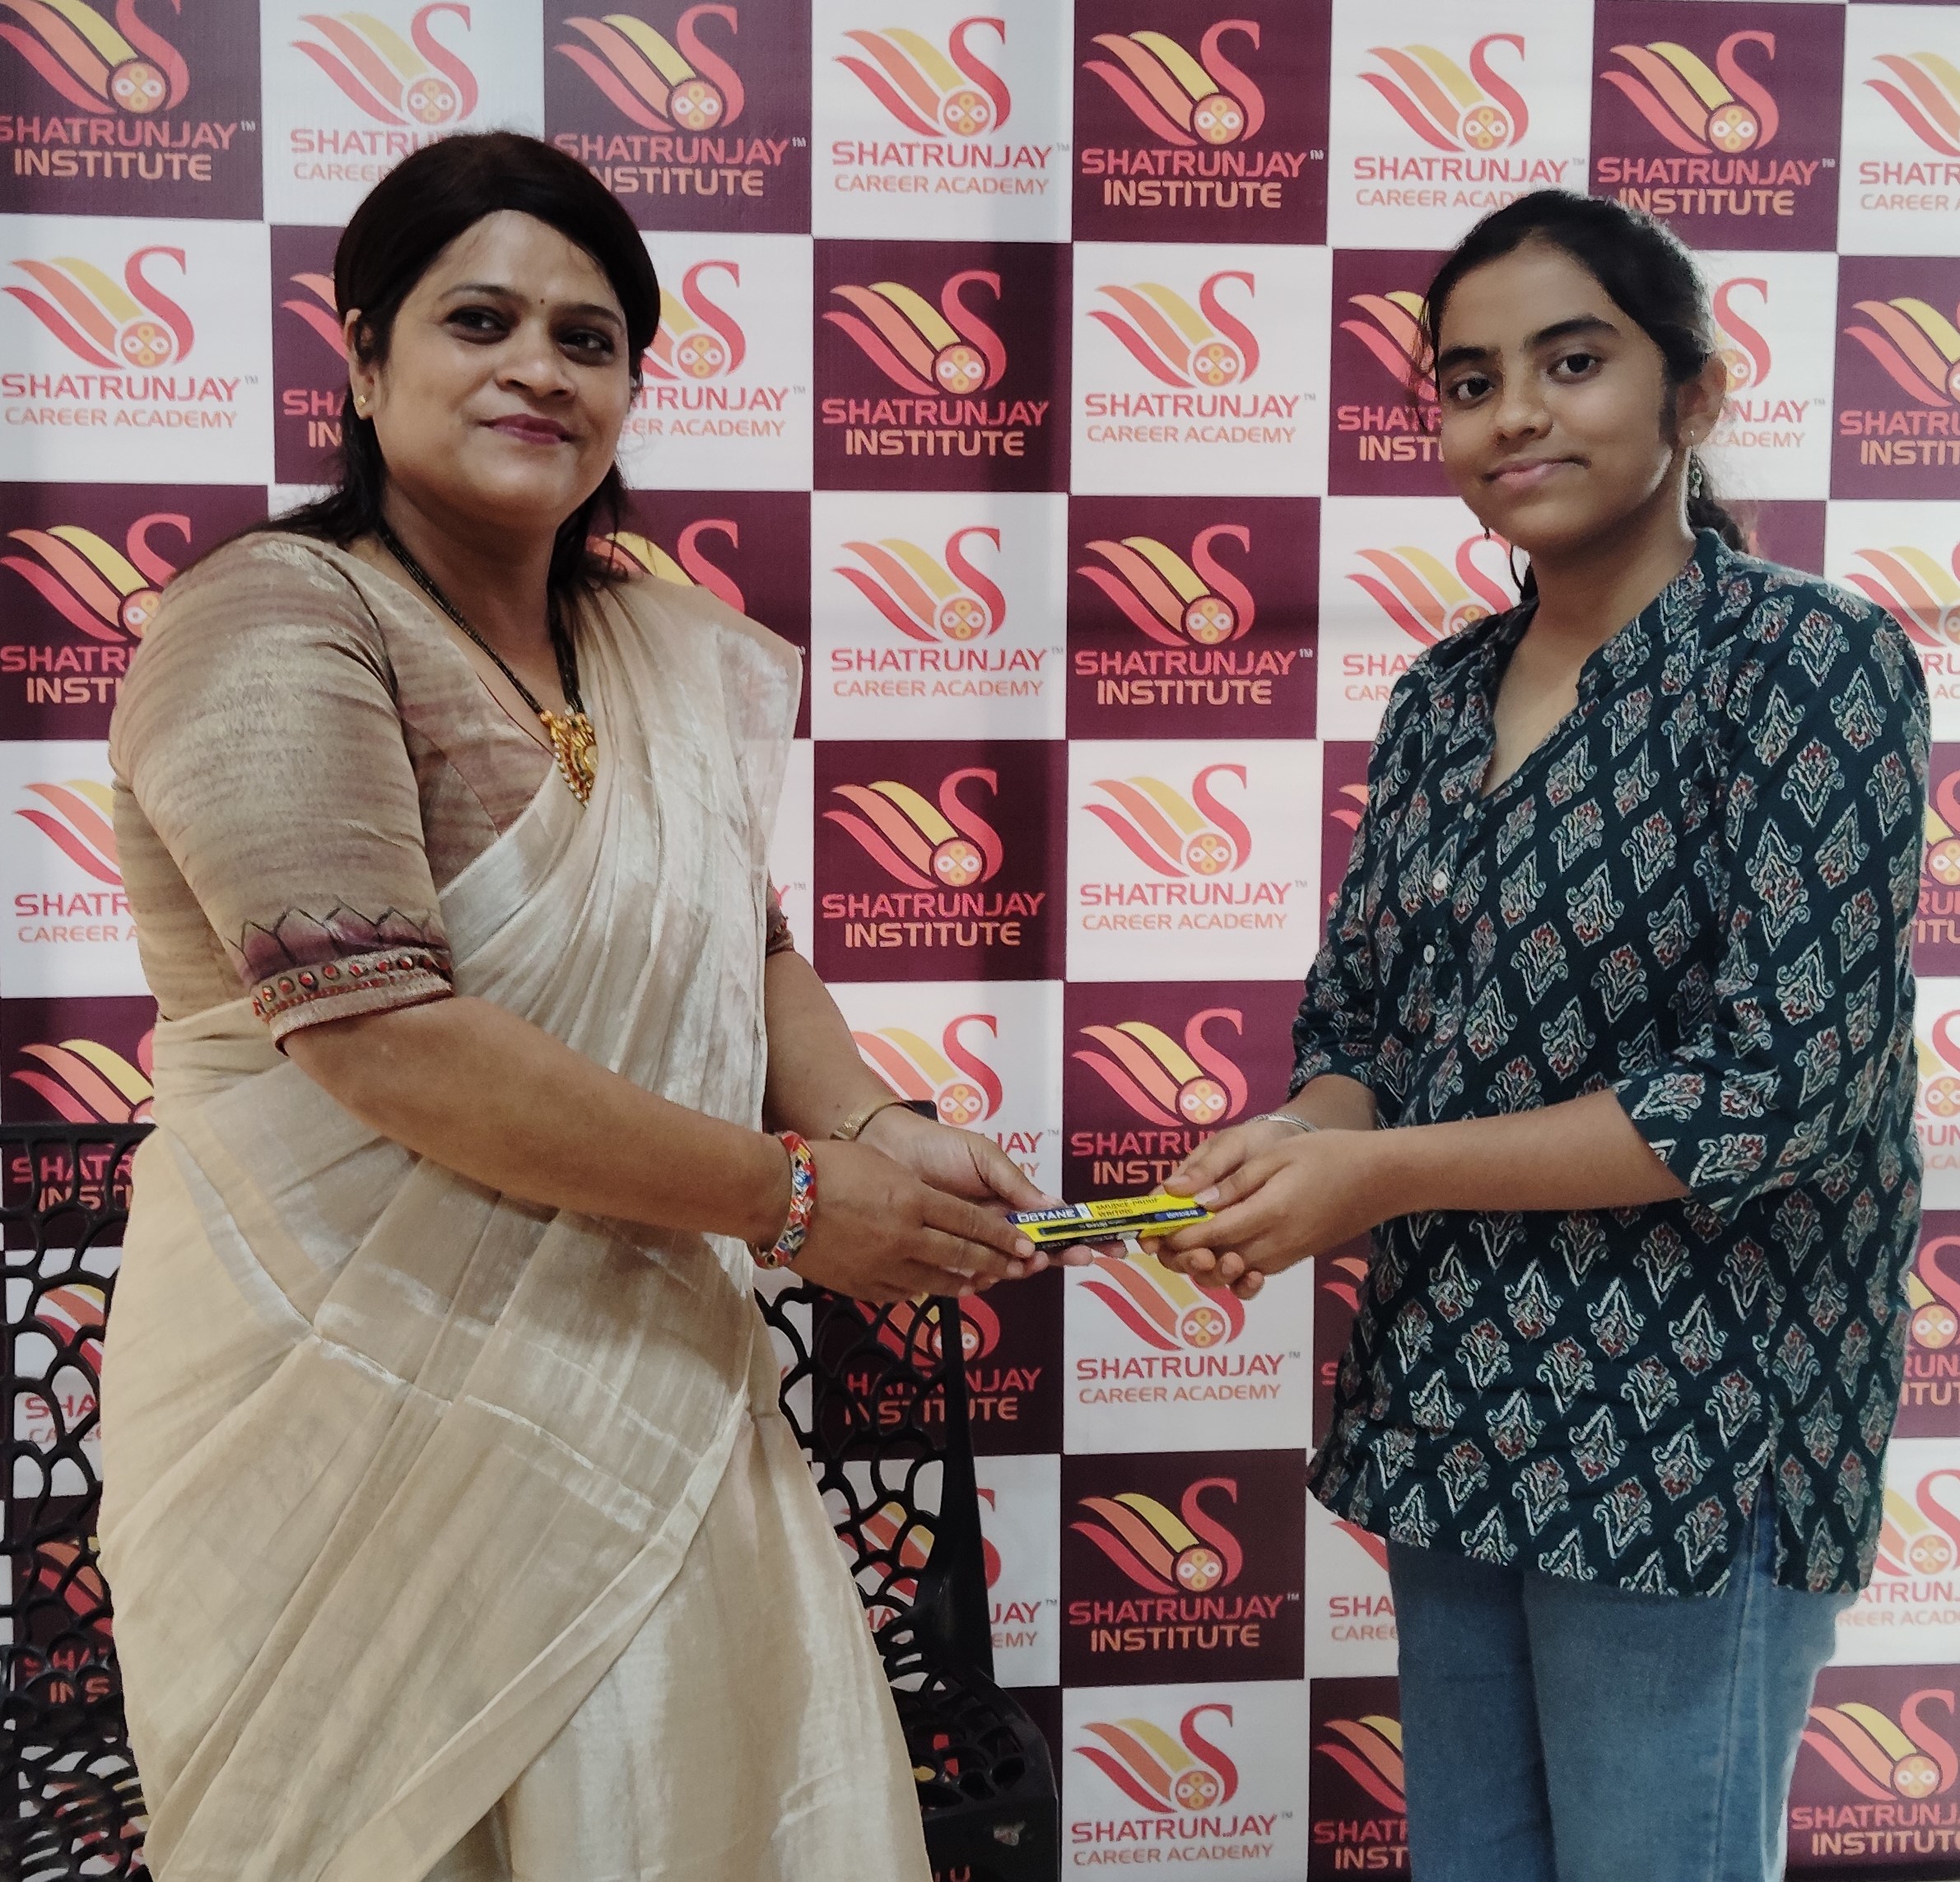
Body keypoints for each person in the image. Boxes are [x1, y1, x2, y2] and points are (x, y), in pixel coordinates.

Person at [96, 131, 1064, 1882]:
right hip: (337, 1399)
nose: (539, 367)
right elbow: (386, 1037)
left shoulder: (647, 647)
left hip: (643, 1374)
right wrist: (794, 1200)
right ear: (365, 355)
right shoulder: (268, 622)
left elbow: (748, 949)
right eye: (480, 320)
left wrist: (872, 1124)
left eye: (588, 337)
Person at [1157, 190, 1929, 1882]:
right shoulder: (1441, 695)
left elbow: (1773, 1088)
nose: (1512, 413)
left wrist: (1379, 1174)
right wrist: (1299, 1144)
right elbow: (1364, 1025)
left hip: (1693, 1425)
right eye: (1468, 380)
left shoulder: (1806, 660)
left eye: (1572, 363)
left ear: (1692, 395)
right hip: (1454, 1401)